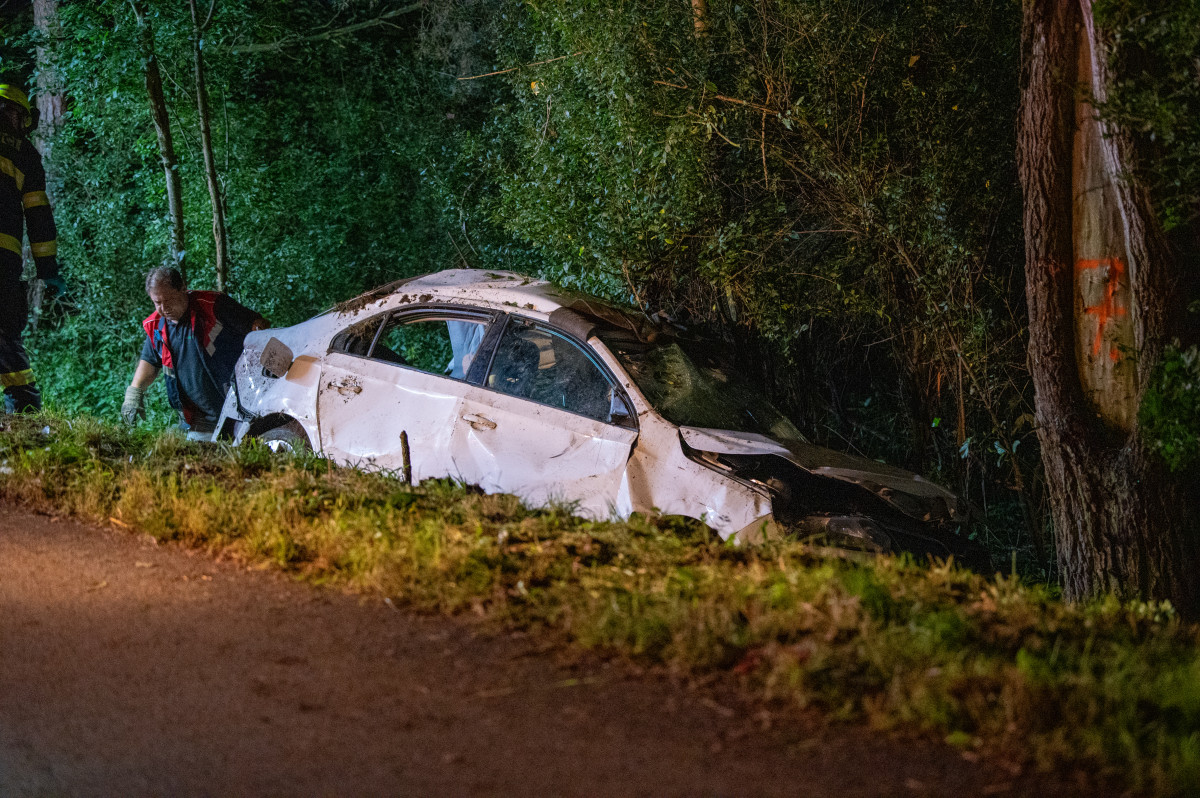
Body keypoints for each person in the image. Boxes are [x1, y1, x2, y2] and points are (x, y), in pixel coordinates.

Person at [122, 267, 268, 439]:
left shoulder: (212, 306)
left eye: (168, 300)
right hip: (199, 419)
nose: (163, 308)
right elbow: (150, 362)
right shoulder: (156, 326)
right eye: (157, 302)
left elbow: (258, 326)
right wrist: (134, 393)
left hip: (239, 407)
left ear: (183, 288)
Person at [0, 83, 65, 413]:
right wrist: (49, 272)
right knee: (5, 331)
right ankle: (24, 411)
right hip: (3, 262)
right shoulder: (24, 154)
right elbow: (38, 217)